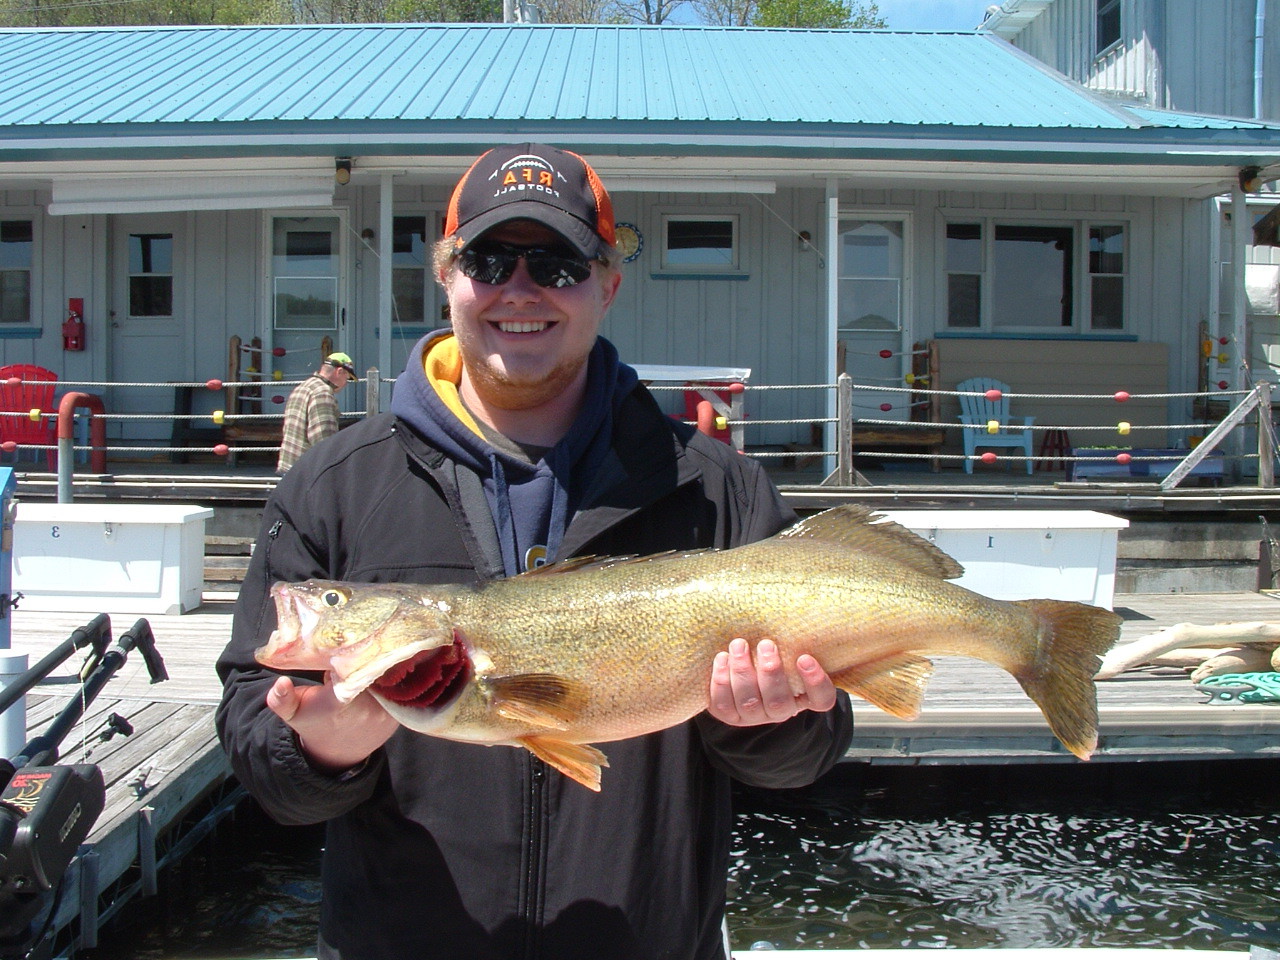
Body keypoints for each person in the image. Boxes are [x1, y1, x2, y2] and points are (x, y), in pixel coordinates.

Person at [216, 143, 854, 960]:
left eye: (556, 264)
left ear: (607, 285)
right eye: (488, 259)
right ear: (446, 277)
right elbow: (253, 745)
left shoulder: (720, 490)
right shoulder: (332, 486)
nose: (520, 289)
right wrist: (321, 749)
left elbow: (809, 751)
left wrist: (766, 724)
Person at [275, 352, 357, 473]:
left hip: (288, 464)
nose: (346, 383)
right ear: (339, 372)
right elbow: (323, 438)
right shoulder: (322, 393)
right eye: (348, 378)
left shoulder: (303, 386)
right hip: (305, 471)